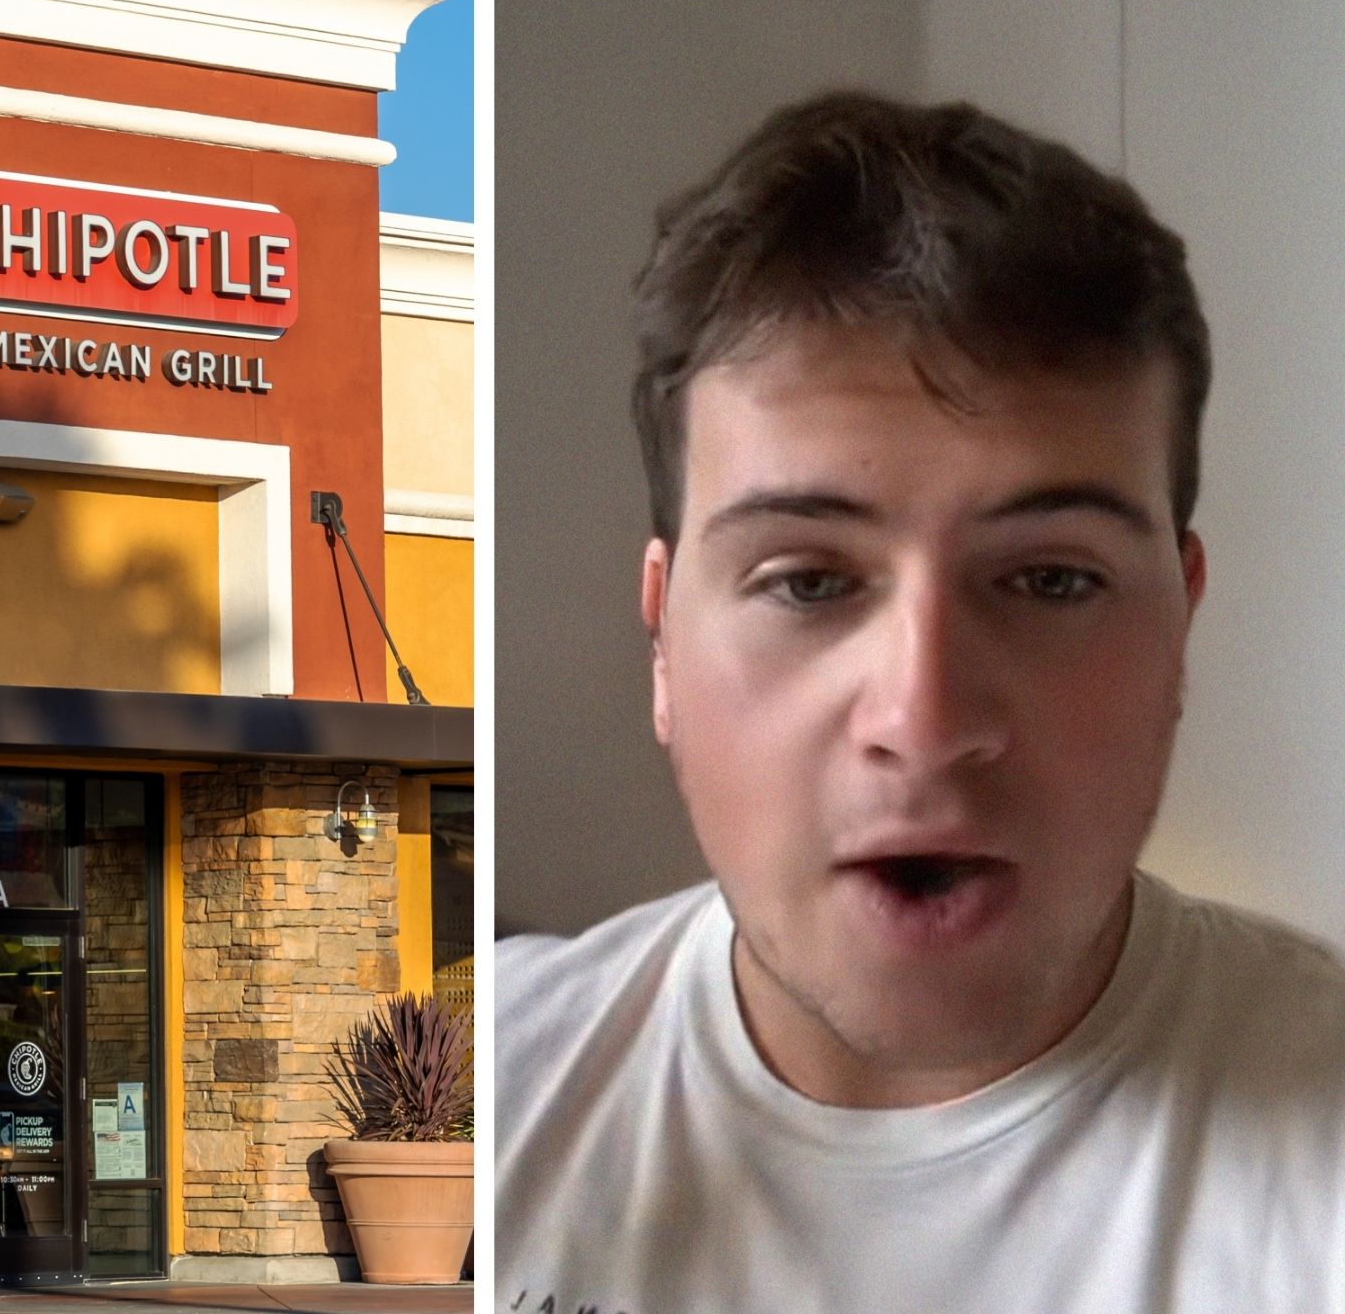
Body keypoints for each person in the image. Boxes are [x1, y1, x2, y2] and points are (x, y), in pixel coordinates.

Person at [495, 92, 1345, 1311]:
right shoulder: (493, 1096)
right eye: (806, 582)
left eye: (1053, 579)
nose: (924, 716)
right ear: (662, 643)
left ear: (1179, 629)